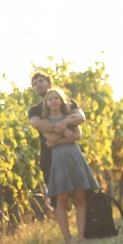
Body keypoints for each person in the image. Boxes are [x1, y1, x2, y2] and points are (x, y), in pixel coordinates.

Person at [34, 88, 99, 244]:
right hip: (59, 161)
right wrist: (65, 131)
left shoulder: (71, 117)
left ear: (61, 100)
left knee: (80, 198)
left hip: (75, 158)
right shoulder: (45, 122)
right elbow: (50, 141)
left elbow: (77, 136)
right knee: (62, 199)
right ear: (46, 103)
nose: (54, 101)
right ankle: (68, 239)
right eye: (50, 99)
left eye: (56, 98)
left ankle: (82, 236)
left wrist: (62, 131)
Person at [28, 71, 85, 201]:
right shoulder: (34, 110)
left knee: (81, 194)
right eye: (34, 84)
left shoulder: (70, 104)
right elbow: (38, 124)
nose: (38, 85)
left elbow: (81, 118)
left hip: (71, 153)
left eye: (40, 81)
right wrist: (65, 129)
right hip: (50, 155)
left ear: (49, 83)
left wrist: (64, 123)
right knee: (57, 198)